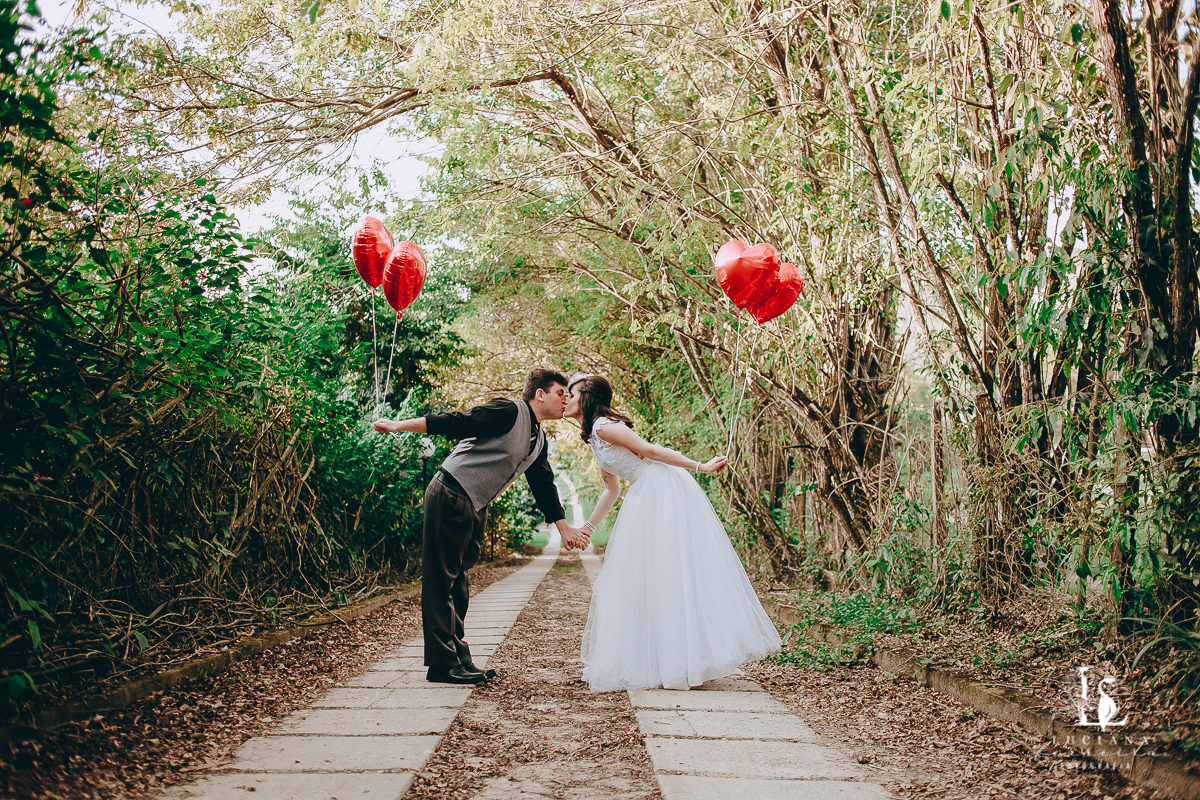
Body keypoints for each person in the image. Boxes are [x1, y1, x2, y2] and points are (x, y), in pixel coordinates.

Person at [564, 373, 781, 691]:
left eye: (571, 393)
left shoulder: (605, 426)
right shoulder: (595, 436)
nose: (566, 399)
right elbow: (611, 489)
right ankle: (664, 659)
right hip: (644, 491)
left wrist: (700, 466)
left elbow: (650, 451)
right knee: (650, 575)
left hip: (661, 487)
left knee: (668, 570)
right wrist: (587, 528)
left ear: (587, 396)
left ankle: (681, 660)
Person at [374, 369, 589, 685]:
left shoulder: (538, 439)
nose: (565, 399)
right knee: (441, 580)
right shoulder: (508, 410)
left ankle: (458, 659)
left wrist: (564, 529)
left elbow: (544, 484)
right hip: (450, 492)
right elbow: (456, 422)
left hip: (473, 503)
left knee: (458, 584)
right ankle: (442, 664)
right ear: (540, 393)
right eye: (560, 392)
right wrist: (398, 426)